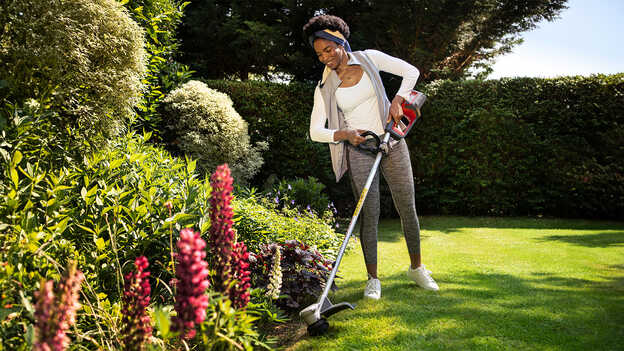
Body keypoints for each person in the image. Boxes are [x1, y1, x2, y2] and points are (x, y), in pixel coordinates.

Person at [303, 14, 439, 300]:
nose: (325, 57)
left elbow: (411, 72)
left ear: (342, 43)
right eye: (319, 54)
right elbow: (316, 131)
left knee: (407, 207)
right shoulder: (324, 87)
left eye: (329, 49)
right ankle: (372, 279)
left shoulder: (369, 58)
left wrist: (399, 100)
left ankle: (417, 267)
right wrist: (344, 134)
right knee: (369, 214)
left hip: (392, 141)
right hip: (360, 150)